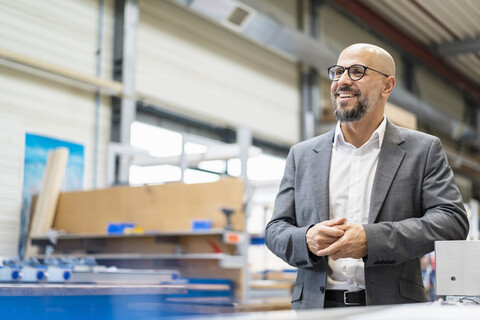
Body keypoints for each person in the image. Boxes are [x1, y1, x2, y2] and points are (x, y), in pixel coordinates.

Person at [265, 43, 469, 309]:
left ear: (387, 86)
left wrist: (371, 240)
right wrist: (306, 239)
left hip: (393, 308)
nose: (343, 81)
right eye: (338, 72)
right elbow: (275, 230)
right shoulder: (302, 155)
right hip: (316, 308)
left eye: (357, 71)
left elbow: (452, 222)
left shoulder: (423, 150)